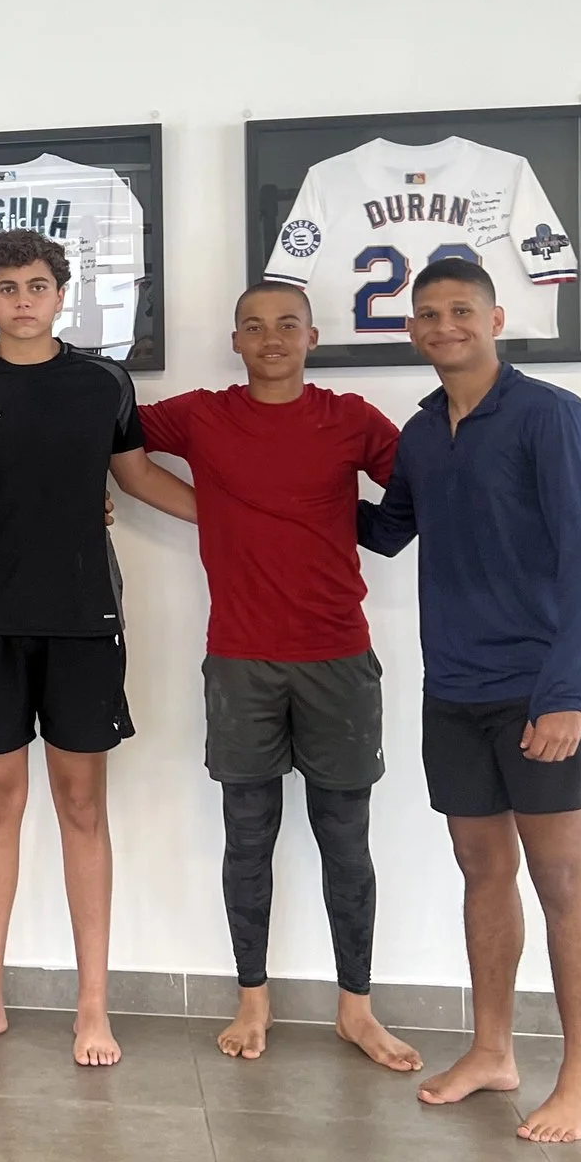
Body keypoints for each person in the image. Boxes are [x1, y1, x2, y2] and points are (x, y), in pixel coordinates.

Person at [0, 231, 196, 1065]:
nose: (24, 299)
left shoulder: (103, 381)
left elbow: (137, 477)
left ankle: (93, 1007)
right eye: (8, 287)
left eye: (39, 285)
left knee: (82, 809)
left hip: (83, 620)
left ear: (62, 293)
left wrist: (244, 525)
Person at [360, 258, 581, 1143]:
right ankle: (493, 1050)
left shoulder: (553, 417)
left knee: (561, 877)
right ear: (414, 329)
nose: (444, 326)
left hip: (543, 691)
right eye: (427, 313)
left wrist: (569, 692)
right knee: (482, 871)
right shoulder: (426, 431)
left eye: (460, 310)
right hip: (456, 687)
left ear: (496, 316)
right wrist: (275, 484)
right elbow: (387, 530)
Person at [135, 281, 422, 1071]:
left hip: (338, 658)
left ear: (312, 336)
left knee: (346, 843)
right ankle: (252, 998)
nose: (271, 338)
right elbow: (111, 434)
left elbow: (424, 482)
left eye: (286, 325)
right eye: (255, 326)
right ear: (235, 340)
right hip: (241, 660)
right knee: (248, 838)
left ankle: (356, 1009)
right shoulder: (201, 414)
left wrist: (368, 529)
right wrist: (209, 508)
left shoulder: (351, 419)